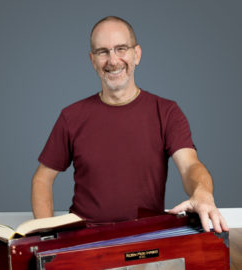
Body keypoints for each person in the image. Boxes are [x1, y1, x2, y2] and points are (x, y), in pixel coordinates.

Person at [31, 16, 228, 233]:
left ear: (137, 55)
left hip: (146, 239)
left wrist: (202, 193)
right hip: (84, 241)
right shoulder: (71, 116)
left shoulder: (166, 111)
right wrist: (46, 238)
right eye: (102, 52)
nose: (113, 60)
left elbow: (190, 165)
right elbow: (42, 179)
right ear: (92, 60)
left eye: (121, 49)